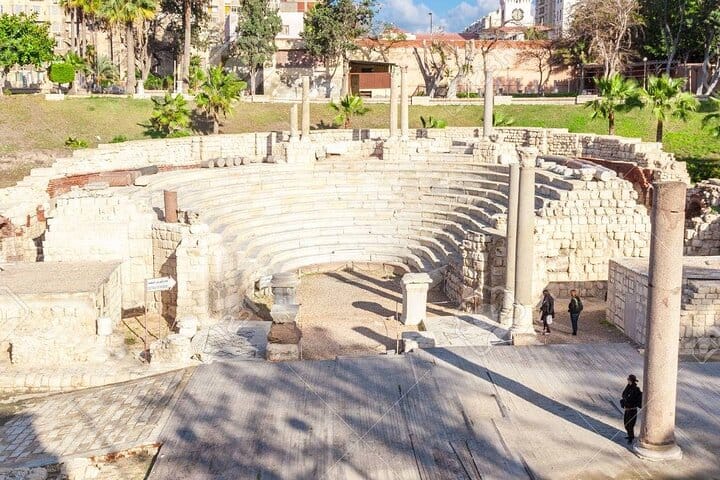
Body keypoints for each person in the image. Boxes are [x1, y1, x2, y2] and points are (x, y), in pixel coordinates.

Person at [621, 374, 643, 444]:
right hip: (627, 409)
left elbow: (638, 398)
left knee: (630, 425)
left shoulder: (636, 389)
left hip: (632, 410)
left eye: (628, 379)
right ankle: (630, 435)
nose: (628, 380)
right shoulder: (628, 387)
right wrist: (624, 402)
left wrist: (631, 402)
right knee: (626, 424)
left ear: (631, 380)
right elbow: (623, 395)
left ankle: (631, 437)